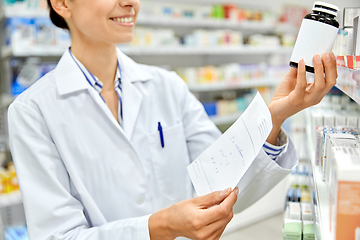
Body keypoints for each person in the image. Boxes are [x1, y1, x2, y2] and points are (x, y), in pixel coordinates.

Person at [7, 0, 337, 239]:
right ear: (62, 3)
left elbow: (222, 186)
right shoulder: (33, 111)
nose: (129, 3)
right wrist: (158, 227)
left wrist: (274, 116)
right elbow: (57, 236)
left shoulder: (166, 86)